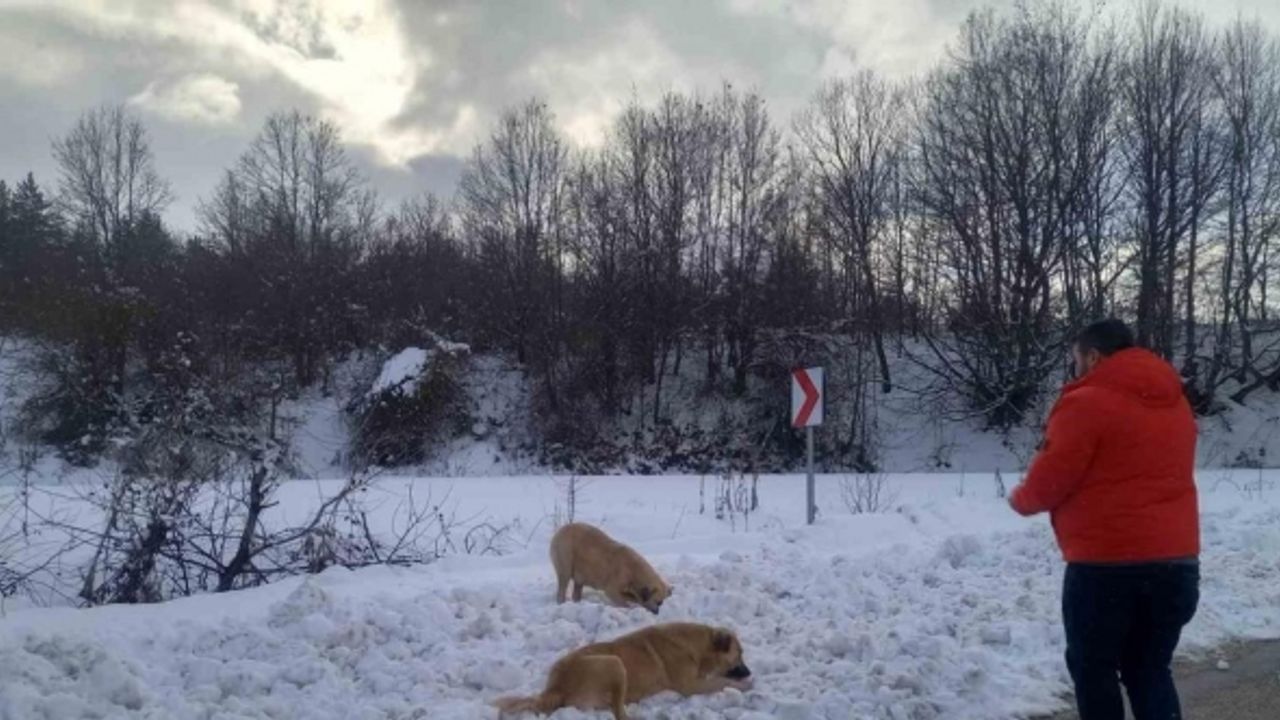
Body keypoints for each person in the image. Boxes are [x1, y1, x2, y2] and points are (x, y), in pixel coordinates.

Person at [1008, 319, 1200, 720]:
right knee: (1148, 669)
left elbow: (1049, 480)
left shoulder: (1086, 402)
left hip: (1106, 566)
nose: (1074, 367)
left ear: (1093, 356)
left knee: (1093, 669)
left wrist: (1021, 499)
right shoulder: (1176, 403)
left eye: (1076, 358)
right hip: (1177, 564)